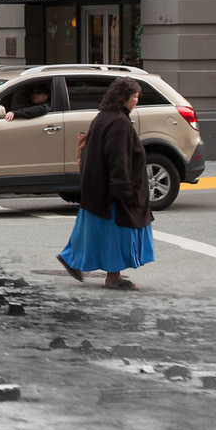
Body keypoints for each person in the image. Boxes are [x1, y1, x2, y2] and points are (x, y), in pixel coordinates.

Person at [57, 77, 154, 290]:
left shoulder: (103, 117)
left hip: (98, 188)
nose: (136, 101)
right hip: (112, 191)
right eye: (135, 97)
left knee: (93, 230)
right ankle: (113, 276)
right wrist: (123, 188)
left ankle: (73, 259)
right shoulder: (119, 123)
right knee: (115, 234)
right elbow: (118, 158)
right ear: (123, 98)